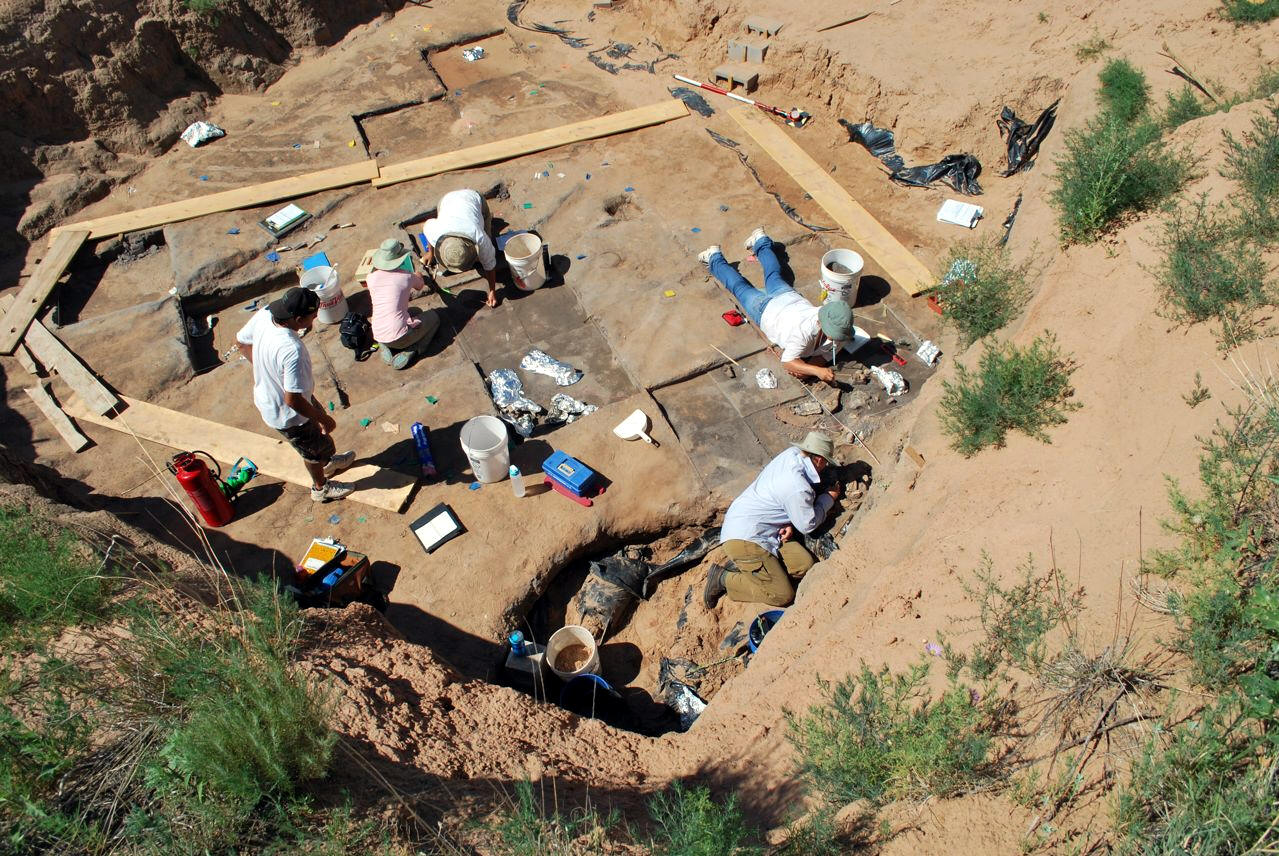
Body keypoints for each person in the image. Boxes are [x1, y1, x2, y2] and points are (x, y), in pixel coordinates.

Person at [703, 431, 843, 608]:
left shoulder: (791, 454)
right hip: (744, 537)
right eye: (826, 463)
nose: (825, 468)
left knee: (805, 565)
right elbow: (808, 524)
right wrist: (829, 498)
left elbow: (785, 499)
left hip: (764, 527)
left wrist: (789, 521)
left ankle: (758, 570)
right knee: (782, 595)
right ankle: (723, 578)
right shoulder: (797, 486)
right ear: (820, 460)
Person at [699, 228, 855, 384]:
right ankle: (713, 257)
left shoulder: (841, 328)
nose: (835, 338)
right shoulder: (803, 332)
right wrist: (814, 370)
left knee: (773, 273)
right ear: (819, 322)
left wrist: (807, 370)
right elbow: (787, 362)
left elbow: (822, 357)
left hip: (786, 296)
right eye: (832, 333)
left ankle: (760, 240)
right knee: (739, 287)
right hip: (764, 310)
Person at [248, 287, 355, 502]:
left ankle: (328, 462)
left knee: (320, 441)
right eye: (313, 316)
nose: (315, 319)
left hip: (283, 397)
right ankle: (320, 488)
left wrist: (264, 368)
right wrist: (323, 417)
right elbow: (292, 400)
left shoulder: (265, 315)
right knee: (311, 452)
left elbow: (241, 341)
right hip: (288, 414)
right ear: (297, 319)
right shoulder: (291, 349)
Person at [366, 238, 441, 370]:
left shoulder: (370, 278)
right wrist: (417, 275)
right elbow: (420, 285)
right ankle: (415, 349)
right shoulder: (406, 277)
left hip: (377, 332)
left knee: (415, 311)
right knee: (435, 317)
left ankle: (385, 346)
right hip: (399, 337)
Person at [421, 188, 499, 308]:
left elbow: (490, 264)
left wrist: (492, 291)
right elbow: (426, 226)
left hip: (473, 197)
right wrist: (430, 254)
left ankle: (484, 217)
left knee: (488, 235)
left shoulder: (480, 237)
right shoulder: (436, 232)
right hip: (446, 200)